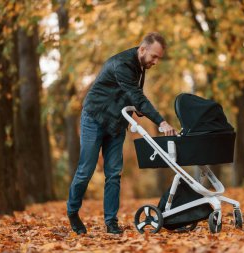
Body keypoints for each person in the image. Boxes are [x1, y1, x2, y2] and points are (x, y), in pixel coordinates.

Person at [67, 32, 177, 235]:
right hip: (95, 118)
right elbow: (136, 95)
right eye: (154, 56)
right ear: (142, 49)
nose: (155, 61)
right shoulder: (123, 64)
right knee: (86, 170)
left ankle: (111, 222)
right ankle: (72, 211)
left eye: (158, 58)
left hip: (117, 124)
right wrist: (160, 122)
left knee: (114, 174)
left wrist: (137, 110)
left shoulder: (140, 66)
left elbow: (129, 96)